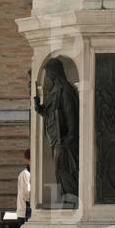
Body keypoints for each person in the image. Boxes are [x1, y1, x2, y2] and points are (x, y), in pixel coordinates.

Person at [33, 59, 79, 204]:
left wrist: (71, 134)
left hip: (65, 139)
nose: (47, 75)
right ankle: (66, 196)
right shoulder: (54, 91)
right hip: (55, 138)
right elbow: (52, 114)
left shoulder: (65, 90)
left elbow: (70, 112)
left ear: (55, 72)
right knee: (59, 170)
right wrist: (40, 110)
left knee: (66, 168)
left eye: (48, 72)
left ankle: (72, 195)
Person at [15, 148, 31, 228]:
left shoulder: (31, 173)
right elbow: (27, 194)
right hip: (25, 213)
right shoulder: (25, 174)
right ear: (28, 160)